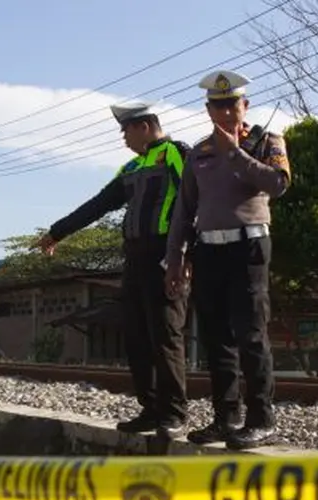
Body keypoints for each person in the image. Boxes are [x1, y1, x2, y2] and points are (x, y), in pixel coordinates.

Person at [38, 101, 191, 437]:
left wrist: (183, 256)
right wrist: (57, 231)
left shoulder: (176, 154)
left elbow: (193, 202)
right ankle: (150, 409)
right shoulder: (132, 168)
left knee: (165, 335)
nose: (123, 137)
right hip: (135, 260)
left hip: (164, 256)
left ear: (145, 126)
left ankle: (174, 413)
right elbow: (99, 204)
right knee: (136, 336)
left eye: (126, 130)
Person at [164, 70, 291, 450]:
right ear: (208, 109)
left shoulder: (265, 141)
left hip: (249, 247)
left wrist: (234, 154)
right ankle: (226, 417)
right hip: (209, 250)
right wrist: (175, 258)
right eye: (217, 106)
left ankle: (261, 418)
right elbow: (183, 211)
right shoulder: (199, 152)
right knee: (216, 337)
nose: (225, 112)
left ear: (244, 105)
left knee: (250, 333)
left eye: (231, 104)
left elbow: (279, 184)